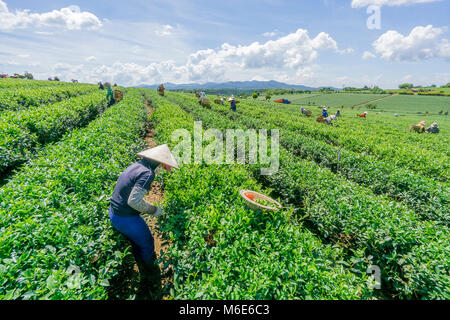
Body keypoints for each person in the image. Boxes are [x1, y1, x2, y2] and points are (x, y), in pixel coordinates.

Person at [109, 144, 179, 296]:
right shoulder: (148, 173)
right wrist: (153, 210)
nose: (163, 169)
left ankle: (141, 266)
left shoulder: (137, 165)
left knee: (137, 241)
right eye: (163, 166)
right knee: (147, 242)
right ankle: (152, 276)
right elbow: (134, 201)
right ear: (158, 163)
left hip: (115, 212)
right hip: (124, 217)